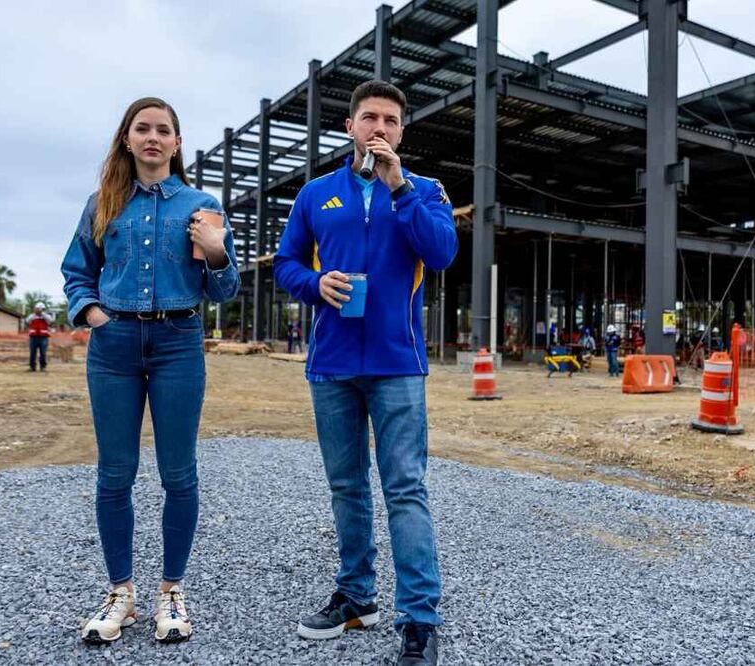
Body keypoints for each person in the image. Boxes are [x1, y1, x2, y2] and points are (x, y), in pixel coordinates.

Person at [274, 80, 456, 666]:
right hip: (331, 363)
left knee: (405, 489)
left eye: (391, 121)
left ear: (402, 132)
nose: (380, 128)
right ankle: (356, 596)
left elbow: (443, 253)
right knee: (347, 485)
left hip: (397, 363)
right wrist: (313, 284)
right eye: (370, 117)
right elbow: (285, 263)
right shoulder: (316, 194)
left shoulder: (425, 191)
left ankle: (419, 620)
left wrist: (399, 186)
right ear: (350, 126)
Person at [61, 97, 240, 645]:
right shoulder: (103, 204)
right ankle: (121, 594)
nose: (153, 137)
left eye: (164, 130)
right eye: (143, 129)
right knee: (114, 474)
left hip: (178, 342)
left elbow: (224, 290)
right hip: (113, 347)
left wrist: (215, 251)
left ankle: (171, 592)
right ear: (127, 138)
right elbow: (76, 272)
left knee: (177, 473)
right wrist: (92, 313)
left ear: (177, 142)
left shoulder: (202, 205)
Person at [25, 302, 54, 372]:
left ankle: (43, 367)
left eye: (41, 309)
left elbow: (50, 321)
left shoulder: (46, 317)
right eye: (37, 309)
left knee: (43, 353)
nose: (39, 310)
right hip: (33, 337)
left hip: (43, 337)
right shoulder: (32, 316)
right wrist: (35, 314)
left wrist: (42, 314)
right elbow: (27, 321)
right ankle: (32, 367)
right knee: (32, 353)